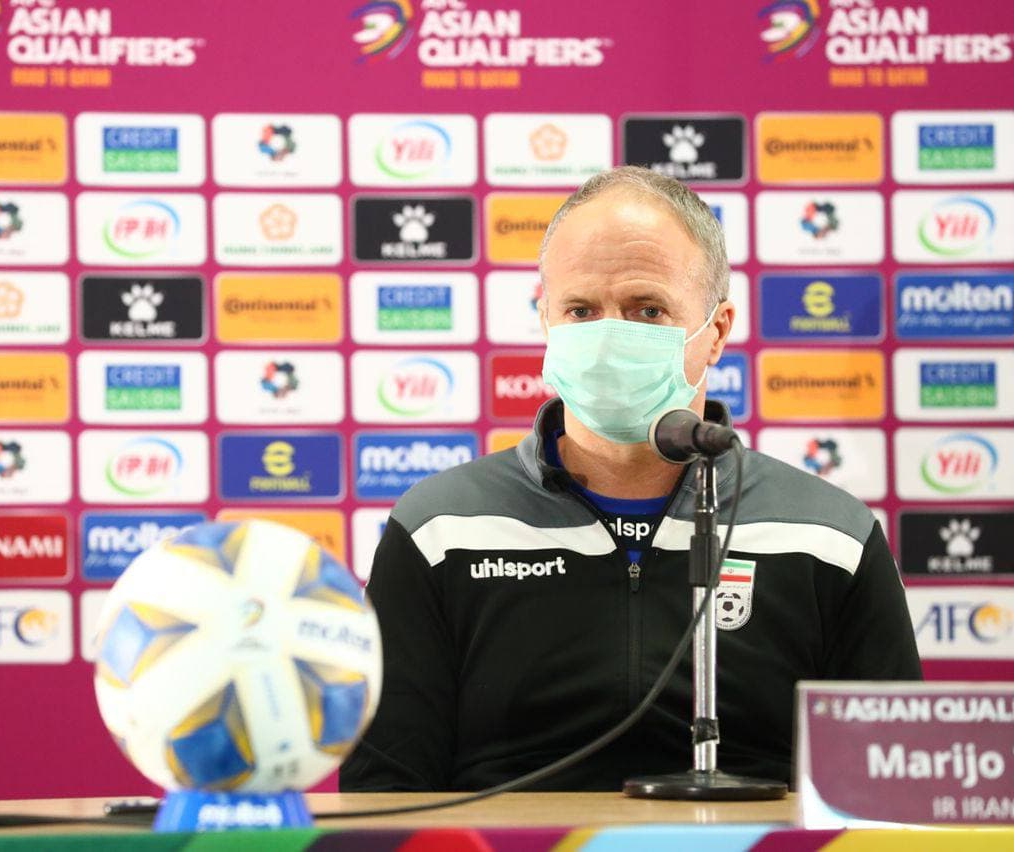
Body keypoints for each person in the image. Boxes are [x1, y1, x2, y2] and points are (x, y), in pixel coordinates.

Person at [340, 166, 921, 792]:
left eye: (647, 310)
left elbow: (892, 788)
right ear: (545, 319)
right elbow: (386, 794)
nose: (609, 337)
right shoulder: (439, 530)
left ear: (717, 331)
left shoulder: (830, 537)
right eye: (581, 310)